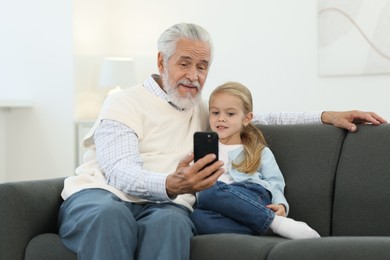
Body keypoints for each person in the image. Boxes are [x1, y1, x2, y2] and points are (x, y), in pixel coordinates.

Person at [58, 23, 387, 260]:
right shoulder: (123, 102)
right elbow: (120, 172)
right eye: (184, 63)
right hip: (102, 197)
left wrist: (326, 116)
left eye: (202, 66)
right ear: (161, 62)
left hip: (161, 206)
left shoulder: (200, 110)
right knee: (112, 217)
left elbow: (258, 117)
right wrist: (172, 183)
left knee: (173, 221)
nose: (194, 75)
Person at [190, 82, 320, 239]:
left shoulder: (258, 150)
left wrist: (280, 204)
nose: (221, 119)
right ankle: (269, 226)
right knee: (197, 218)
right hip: (221, 207)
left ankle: (279, 223)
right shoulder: (203, 150)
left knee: (208, 191)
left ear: (247, 119)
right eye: (215, 113)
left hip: (252, 194)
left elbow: (275, 181)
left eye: (230, 114)